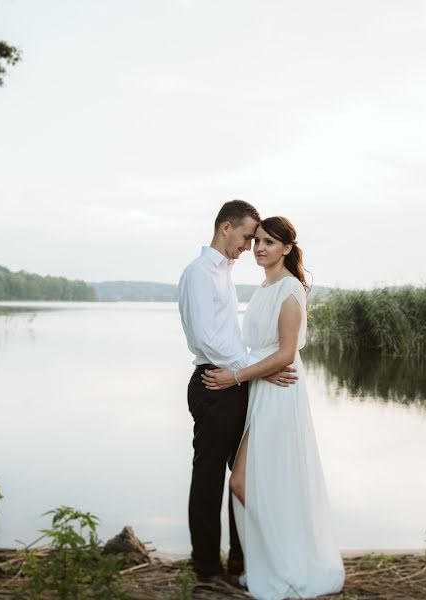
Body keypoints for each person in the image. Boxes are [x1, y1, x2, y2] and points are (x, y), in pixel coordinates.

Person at [202, 216, 345, 599]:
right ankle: (281, 555)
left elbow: (285, 355)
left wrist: (236, 377)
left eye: (268, 242)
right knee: (254, 483)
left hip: (281, 394)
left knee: (243, 481)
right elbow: (261, 350)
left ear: (286, 248)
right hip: (261, 389)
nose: (260, 248)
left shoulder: (290, 290)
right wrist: (247, 375)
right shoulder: (264, 288)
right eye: (258, 241)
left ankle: (289, 561)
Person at [178, 201, 298, 585]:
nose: (250, 247)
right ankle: (207, 567)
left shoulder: (223, 273)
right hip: (215, 383)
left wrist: (253, 371)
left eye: (257, 240)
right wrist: (249, 370)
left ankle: (241, 562)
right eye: (247, 237)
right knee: (209, 477)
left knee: (244, 476)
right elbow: (204, 337)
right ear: (226, 227)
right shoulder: (199, 273)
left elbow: (230, 336)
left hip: (233, 381)